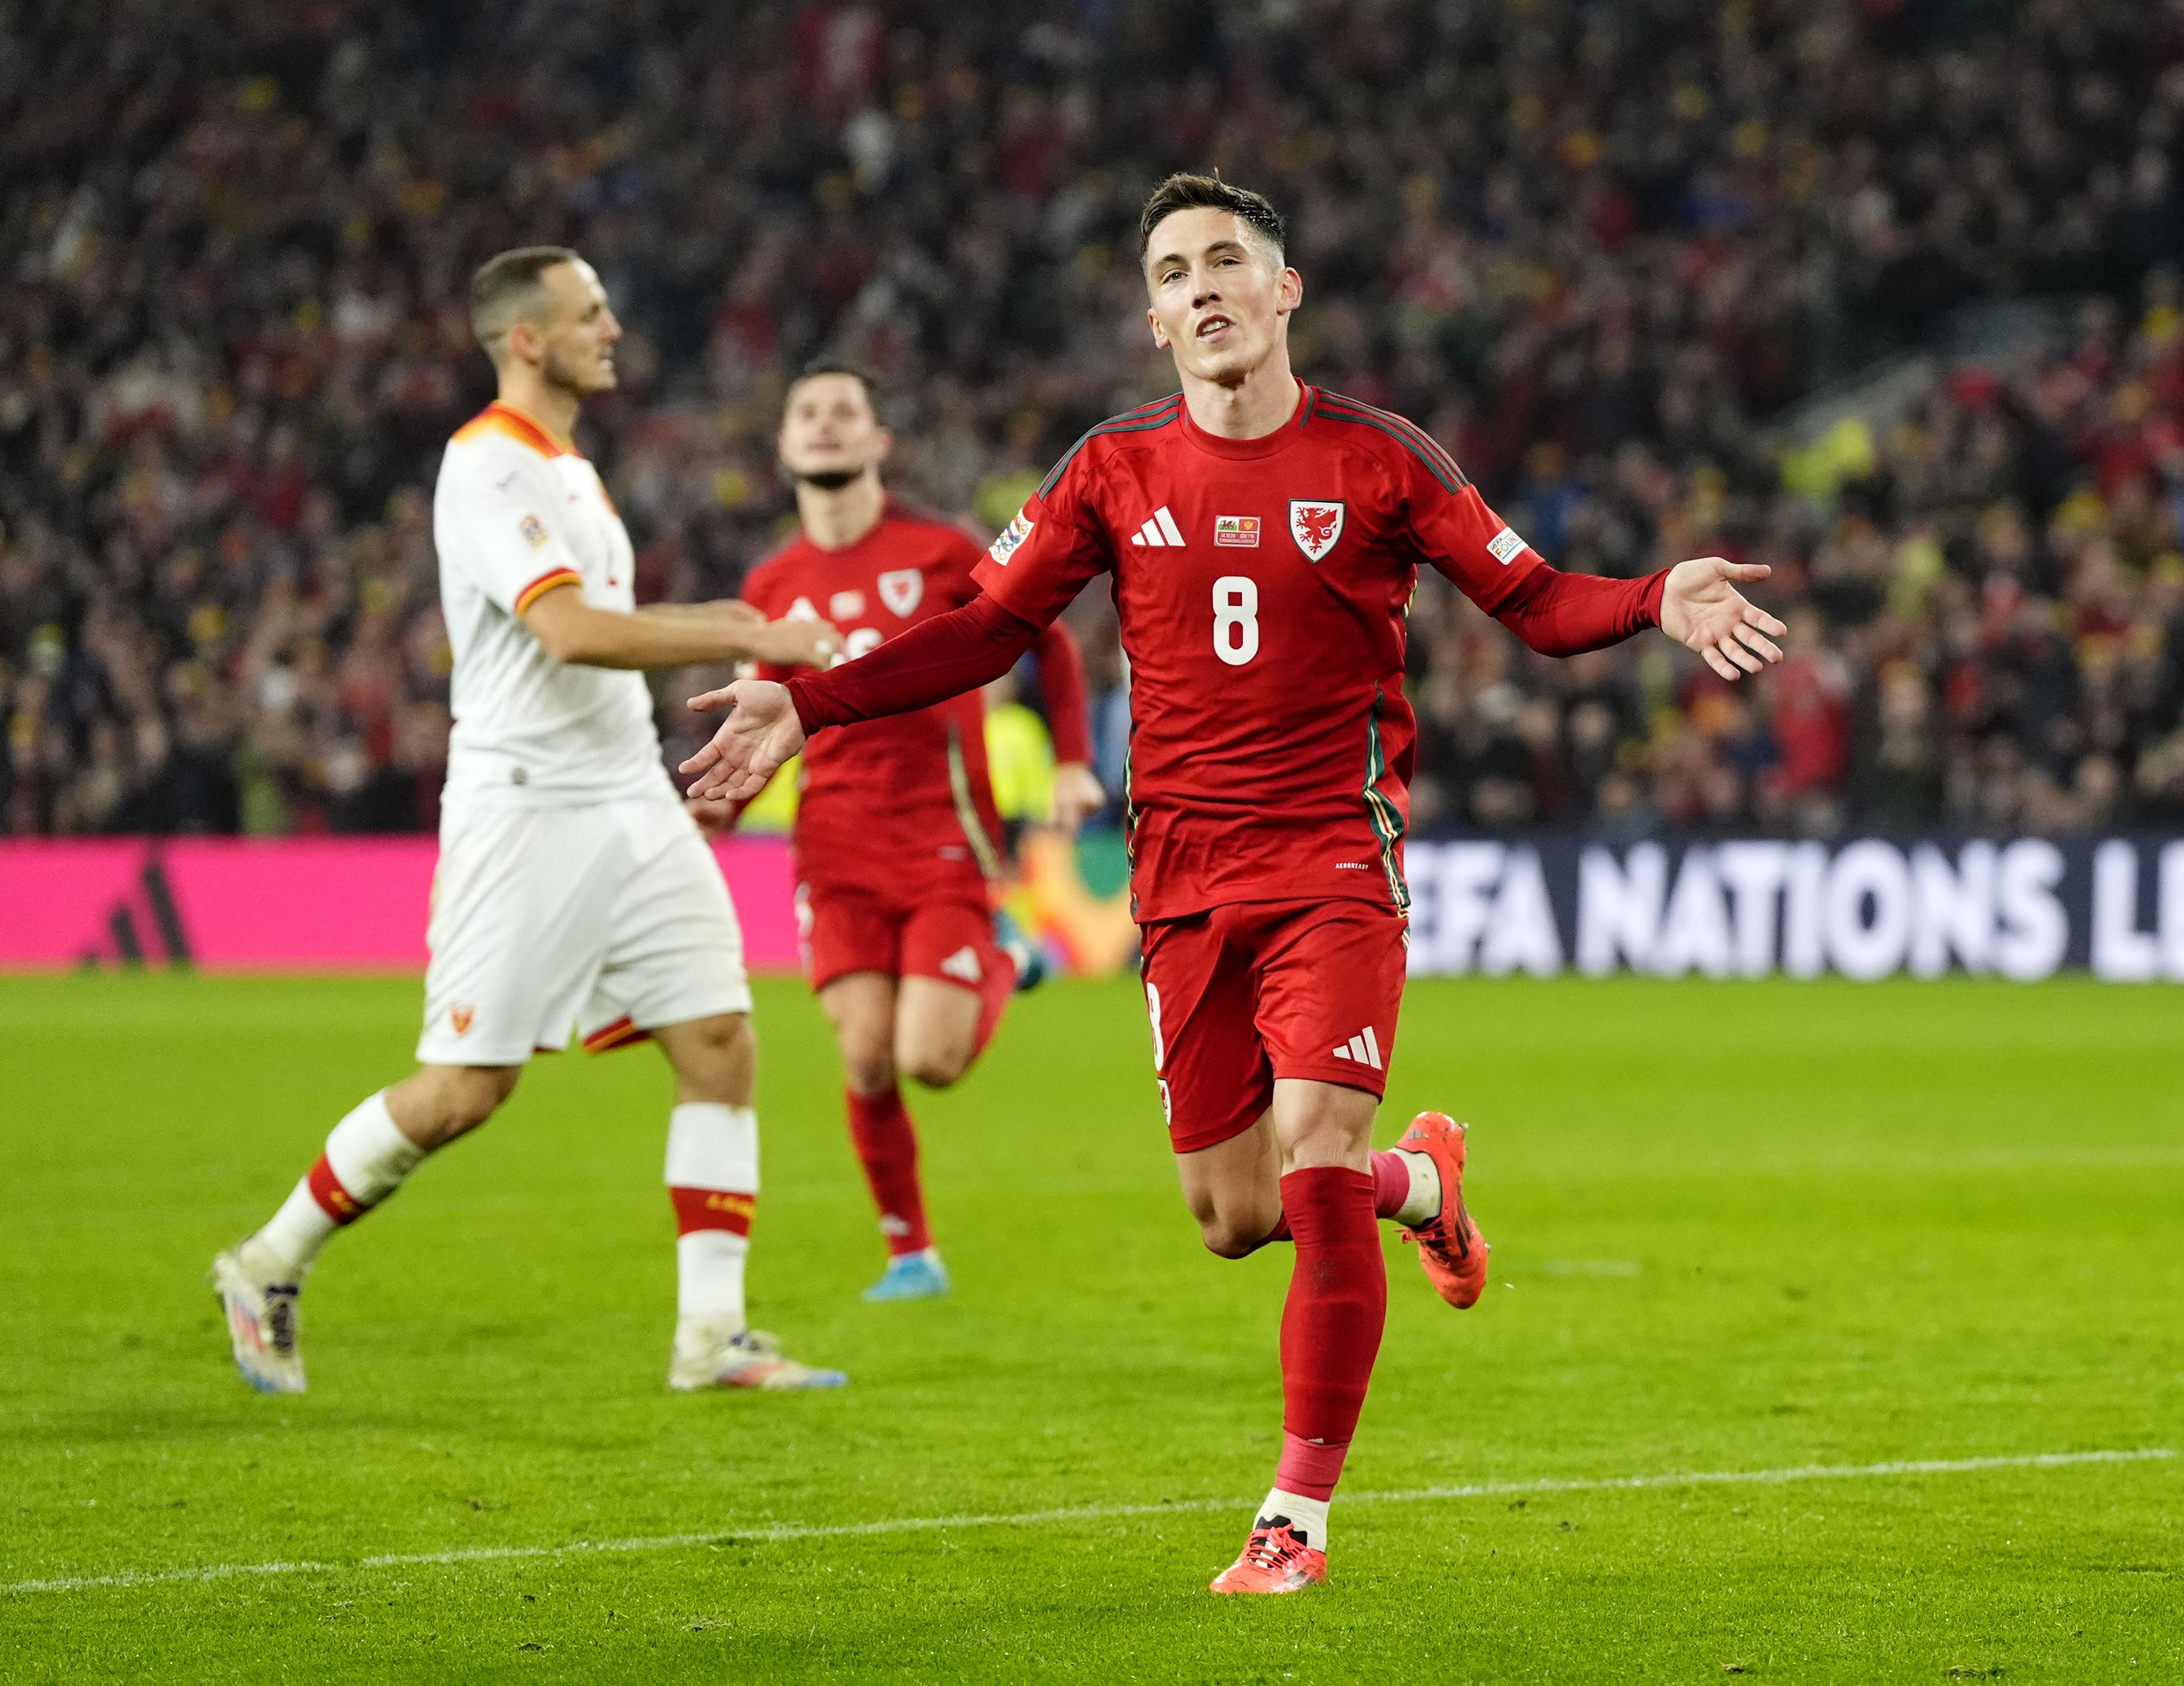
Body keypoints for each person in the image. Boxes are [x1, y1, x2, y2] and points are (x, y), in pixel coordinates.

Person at [678, 175, 1785, 1592]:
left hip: (1333, 852)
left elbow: (1535, 601)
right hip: (1179, 876)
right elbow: (983, 632)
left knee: (1311, 1157)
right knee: (1232, 1213)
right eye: (1173, 271)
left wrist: (1650, 596)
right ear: (1153, 321)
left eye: (1226, 262)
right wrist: (810, 702)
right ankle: (1422, 1181)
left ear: (1284, 290)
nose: (1201, 286)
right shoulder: (1108, 470)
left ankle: (1294, 1516)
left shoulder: (1382, 459)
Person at [211, 247, 848, 1395]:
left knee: (719, 1042)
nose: (612, 329)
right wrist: (746, 630)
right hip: (526, 811)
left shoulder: (572, 471)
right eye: (590, 313)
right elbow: (568, 633)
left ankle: (712, 1336)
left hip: (627, 804)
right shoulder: (487, 468)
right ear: (526, 339)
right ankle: (265, 1261)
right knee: (465, 1090)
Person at [690, 361, 1102, 1302]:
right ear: (785, 446)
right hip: (833, 849)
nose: (827, 425)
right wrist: (719, 807)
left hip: (943, 837)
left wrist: (1074, 758)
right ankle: (910, 1251)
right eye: (808, 413)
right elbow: (766, 721)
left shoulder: (941, 548)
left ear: (880, 443)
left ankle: (1009, 952)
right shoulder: (774, 578)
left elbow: (1049, 636)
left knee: (930, 1060)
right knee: (866, 1055)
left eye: (847, 412)